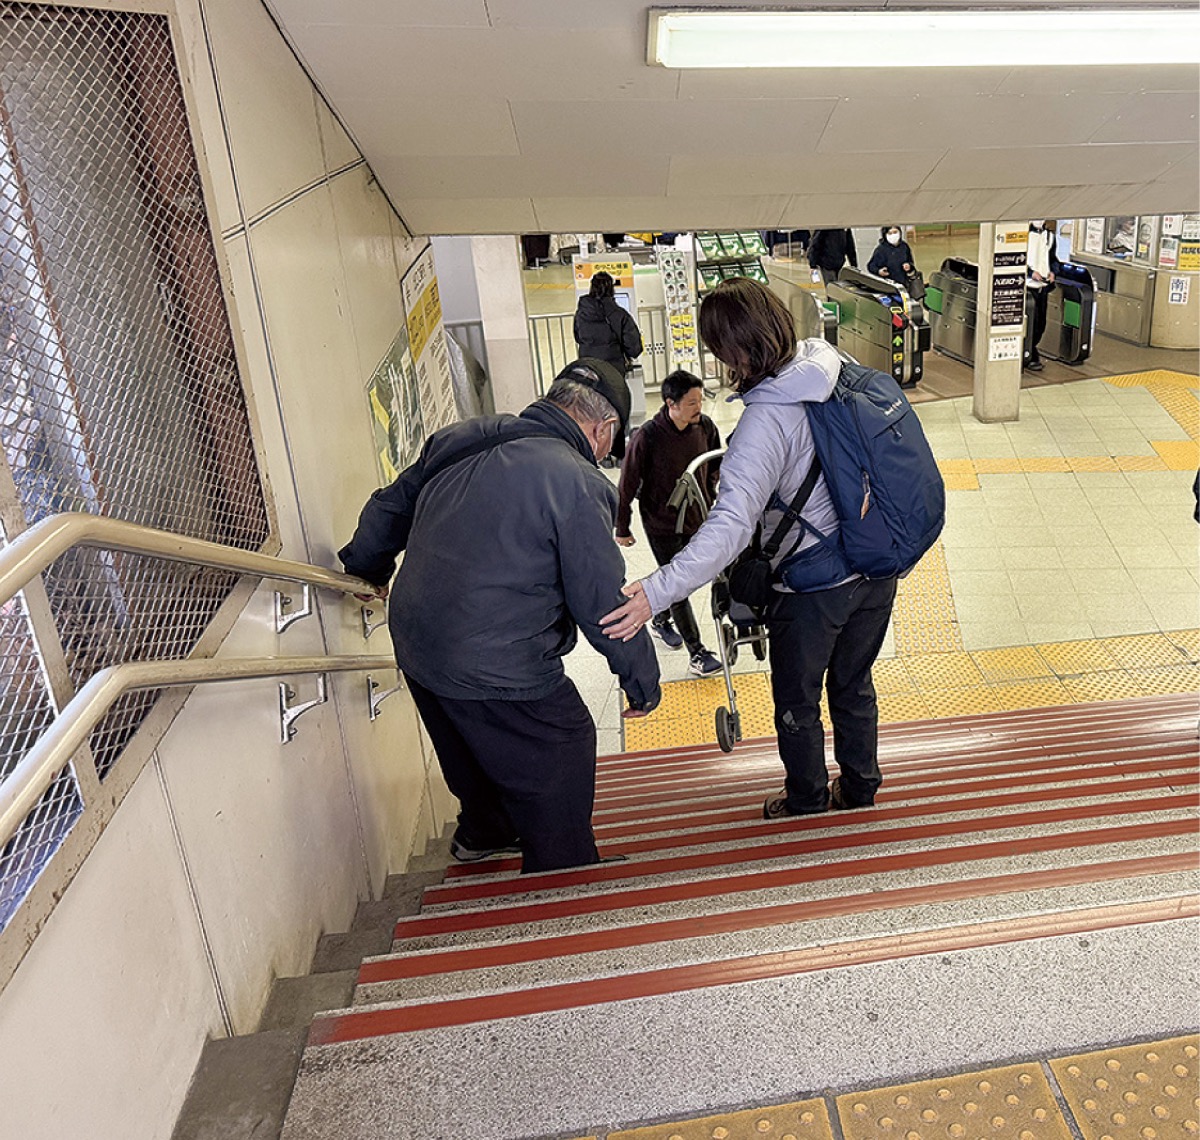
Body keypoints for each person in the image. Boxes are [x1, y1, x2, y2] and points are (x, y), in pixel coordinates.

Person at [338, 358, 661, 874]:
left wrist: (366, 566)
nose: (605, 453)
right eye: (609, 443)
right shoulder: (577, 481)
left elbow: (390, 509)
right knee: (563, 738)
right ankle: (563, 875)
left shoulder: (460, 438)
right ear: (603, 429)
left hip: (418, 639)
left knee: (466, 732)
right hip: (493, 655)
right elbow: (603, 603)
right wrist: (641, 677)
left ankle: (484, 833)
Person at [602, 278, 897, 820]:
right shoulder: (833, 365)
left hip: (815, 584)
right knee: (854, 683)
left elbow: (731, 528)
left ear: (734, 350)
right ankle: (860, 789)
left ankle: (807, 799)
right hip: (876, 567)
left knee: (798, 700)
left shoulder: (765, 422)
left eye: (718, 347)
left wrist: (657, 588)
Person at [616, 369, 723, 677]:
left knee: (684, 575)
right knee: (678, 585)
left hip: (697, 518)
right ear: (670, 404)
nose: (698, 407)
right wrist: (622, 526)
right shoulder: (647, 436)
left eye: (700, 400)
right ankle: (698, 652)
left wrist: (711, 494)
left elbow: (715, 462)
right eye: (691, 402)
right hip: (661, 522)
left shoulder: (705, 427)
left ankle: (660, 619)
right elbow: (627, 483)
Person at [572, 271, 643, 462]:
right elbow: (635, 347)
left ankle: (596, 452)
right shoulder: (619, 315)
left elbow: (578, 337)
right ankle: (618, 453)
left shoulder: (581, 313)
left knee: (593, 409)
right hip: (614, 371)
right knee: (617, 408)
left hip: (589, 369)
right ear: (612, 289)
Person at [1025, 219, 1062, 372]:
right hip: (1027, 286)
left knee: (1040, 324)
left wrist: (1053, 272)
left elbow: (1053, 259)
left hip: (1043, 287)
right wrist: (1030, 273)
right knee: (1029, 323)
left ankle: (1031, 350)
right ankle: (1030, 353)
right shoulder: (1024, 236)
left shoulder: (1050, 237)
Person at [867, 225, 919, 293]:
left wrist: (909, 266)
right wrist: (879, 271)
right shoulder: (881, 249)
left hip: (903, 285)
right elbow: (871, 266)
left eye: (895, 232)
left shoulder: (904, 246)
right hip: (887, 286)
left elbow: (911, 262)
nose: (893, 235)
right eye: (890, 233)